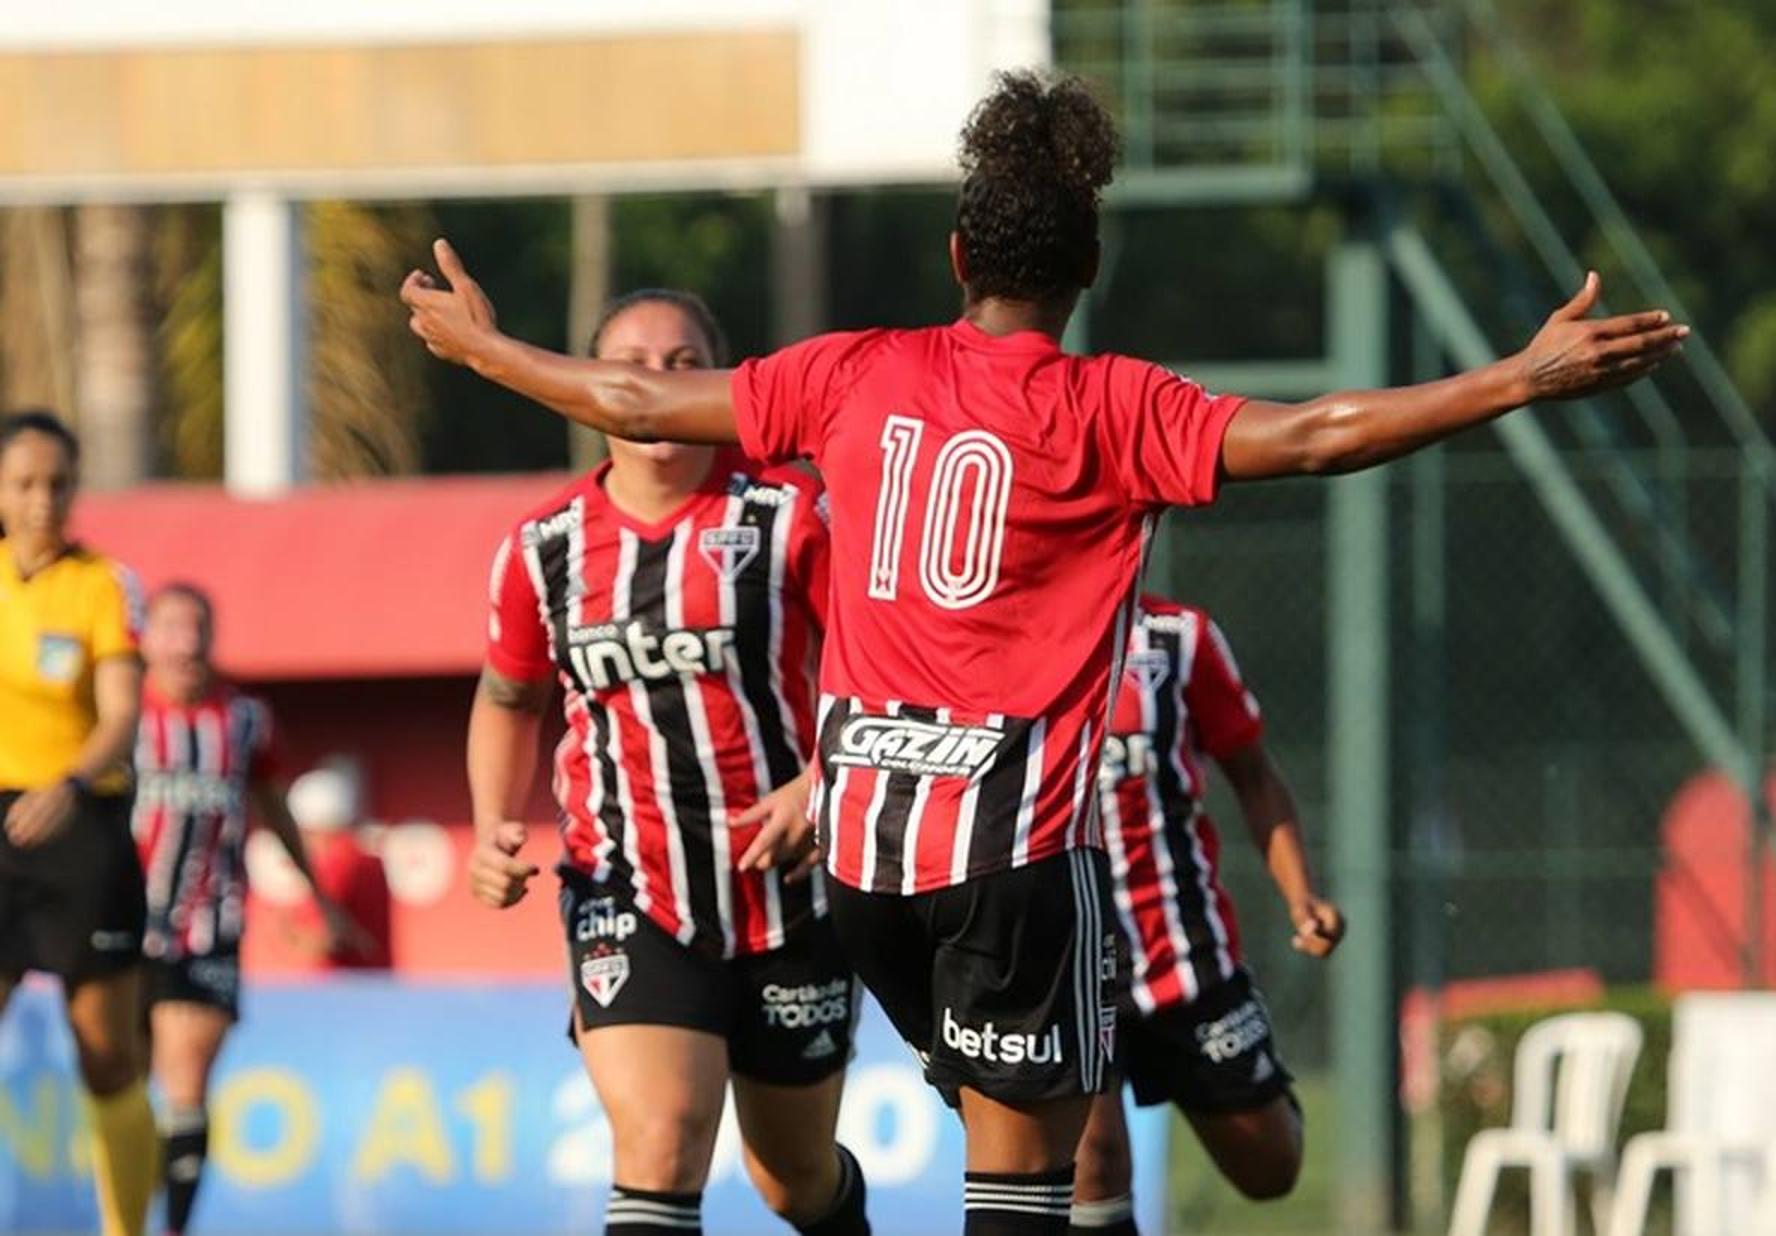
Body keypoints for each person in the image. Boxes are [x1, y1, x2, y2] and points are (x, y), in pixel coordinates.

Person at [400, 70, 1684, 1235]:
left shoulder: (853, 373)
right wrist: (1513, 378)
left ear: (959, 254)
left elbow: (627, 402)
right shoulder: (1115, 406)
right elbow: (1314, 435)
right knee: (1032, 1195)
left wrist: (483, 349)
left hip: (863, 869)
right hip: (1010, 858)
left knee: (1016, 1151)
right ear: (1089, 270)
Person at [466, 288, 868, 1236]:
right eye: (632, 362)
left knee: (795, 1182)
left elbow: (883, 664)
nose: (654, 383)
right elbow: (506, 698)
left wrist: (822, 782)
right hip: (630, 890)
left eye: (685, 365)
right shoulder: (544, 549)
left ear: (726, 384)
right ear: (590, 386)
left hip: (790, 895)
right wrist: (491, 821)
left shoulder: (789, 512)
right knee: (660, 1139)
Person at [1070, 595, 1343, 1234]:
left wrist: (1300, 894)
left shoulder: (1177, 638)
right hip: (1065, 957)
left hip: (1180, 950)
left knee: (1272, 1169)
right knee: (1096, 1163)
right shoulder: (1000, 633)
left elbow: (1253, 773)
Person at [133, 582, 363, 1236]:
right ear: (146, 639)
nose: (184, 642)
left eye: (196, 627)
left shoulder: (244, 719)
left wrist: (317, 898)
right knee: (122, 1080)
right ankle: (123, 1214)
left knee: (186, 1078)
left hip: (211, 924)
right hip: (123, 925)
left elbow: (274, 808)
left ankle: (172, 1227)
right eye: (170, 627)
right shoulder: (122, 717)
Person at [0, 409, 153, 1236]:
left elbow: (122, 715)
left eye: (57, 484)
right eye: (24, 483)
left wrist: (68, 781)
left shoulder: (102, 584)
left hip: (78, 825)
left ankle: (128, 1229)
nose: (41, 501)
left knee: (106, 1057)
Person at [280, 762, 393, 970]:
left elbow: (323, 938)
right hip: (373, 988)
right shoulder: (367, 858)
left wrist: (287, 929)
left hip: (340, 992)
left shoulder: (334, 862)